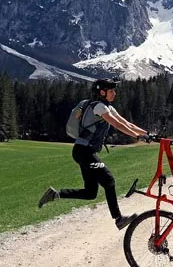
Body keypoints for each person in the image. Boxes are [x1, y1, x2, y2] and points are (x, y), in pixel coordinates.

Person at [38, 78, 148, 230]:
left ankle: (55, 194)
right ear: (102, 92)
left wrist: (146, 134)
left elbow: (127, 123)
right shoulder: (99, 108)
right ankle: (118, 219)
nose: (114, 93)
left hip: (83, 152)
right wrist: (136, 136)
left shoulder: (107, 107)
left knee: (90, 193)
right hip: (84, 152)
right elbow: (117, 125)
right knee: (108, 180)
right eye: (111, 91)